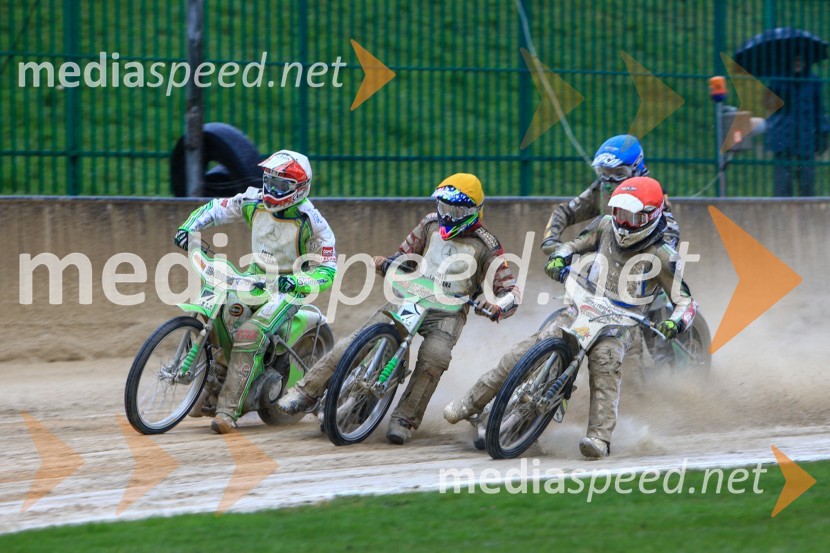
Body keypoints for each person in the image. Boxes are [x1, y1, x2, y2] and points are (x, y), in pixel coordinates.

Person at [444, 176, 696, 458]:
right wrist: (559, 257)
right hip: (581, 306)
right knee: (522, 352)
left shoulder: (663, 256)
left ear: (651, 216)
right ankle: (469, 403)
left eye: (632, 217)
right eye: (620, 213)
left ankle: (599, 437)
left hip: (619, 324)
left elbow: (685, 300)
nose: (624, 223)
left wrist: (676, 322)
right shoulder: (605, 225)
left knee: (605, 364)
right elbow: (575, 244)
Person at [278, 173, 521, 445]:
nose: (448, 216)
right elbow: (405, 256)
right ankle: (305, 392)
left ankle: (405, 418)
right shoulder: (429, 224)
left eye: (456, 211)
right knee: (358, 339)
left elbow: (510, 290)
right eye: (444, 207)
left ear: (474, 211)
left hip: (448, 312)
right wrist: (389, 263)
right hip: (410, 297)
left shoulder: (487, 246)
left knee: (435, 356)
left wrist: (496, 306)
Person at [173, 149, 337, 434]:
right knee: (221, 311)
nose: (272, 190)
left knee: (251, 334)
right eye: (269, 181)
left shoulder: (313, 223)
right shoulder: (253, 201)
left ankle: (227, 411)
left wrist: (298, 282)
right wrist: (189, 228)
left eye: (281, 185)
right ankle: (214, 382)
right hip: (254, 276)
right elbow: (218, 207)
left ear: (300, 189)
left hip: (288, 287)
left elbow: (327, 269)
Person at [540, 135, 680, 384]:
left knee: (649, 320)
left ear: (636, 168)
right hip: (605, 267)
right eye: (604, 172)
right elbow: (566, 211)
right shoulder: (601, 189)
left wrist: (652, 262)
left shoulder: (651, 192)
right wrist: (551, 239)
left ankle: (666, 376)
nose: (610, 179)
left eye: (618, 173)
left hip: (640, 274)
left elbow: (671, 231)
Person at [765, 54, 824, 197]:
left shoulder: (813, 80)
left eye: (800, 59)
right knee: (782, 186)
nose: (797, 62)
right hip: (783, 136)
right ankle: (782, 211)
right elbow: (768, 104)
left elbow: (819, 110)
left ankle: (807, 210)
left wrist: (822, 133)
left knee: (807, 184)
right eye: (794, 59)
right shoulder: (778, 79)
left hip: (806, 136)